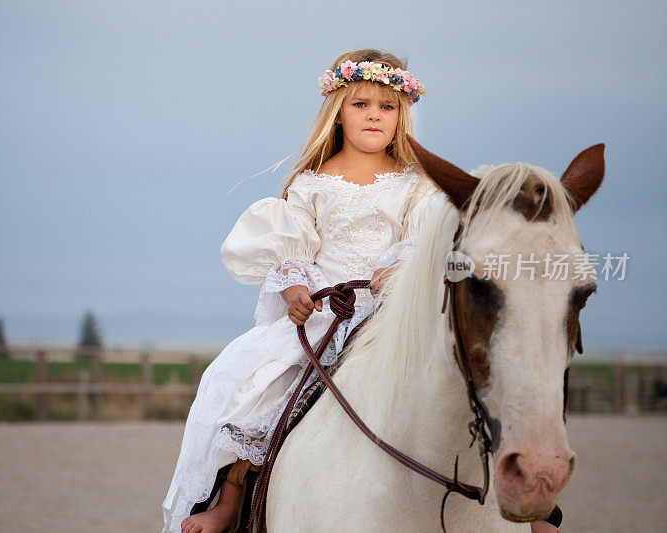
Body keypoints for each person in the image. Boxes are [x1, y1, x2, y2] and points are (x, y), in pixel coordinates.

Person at [162, 49, 558, 533]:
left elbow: (422, 238)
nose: (374, 115)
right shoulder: (310, 184)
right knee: (248, 384)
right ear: (337, 110)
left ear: (401, 115)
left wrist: (399, 271)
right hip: (328, 313)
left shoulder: (418, 185)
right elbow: (294, 247)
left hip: (397, 313)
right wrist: (295, 289)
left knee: (485, 379)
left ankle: (532, 502)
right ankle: (231, 496)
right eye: (361, 104)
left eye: (387, 107)